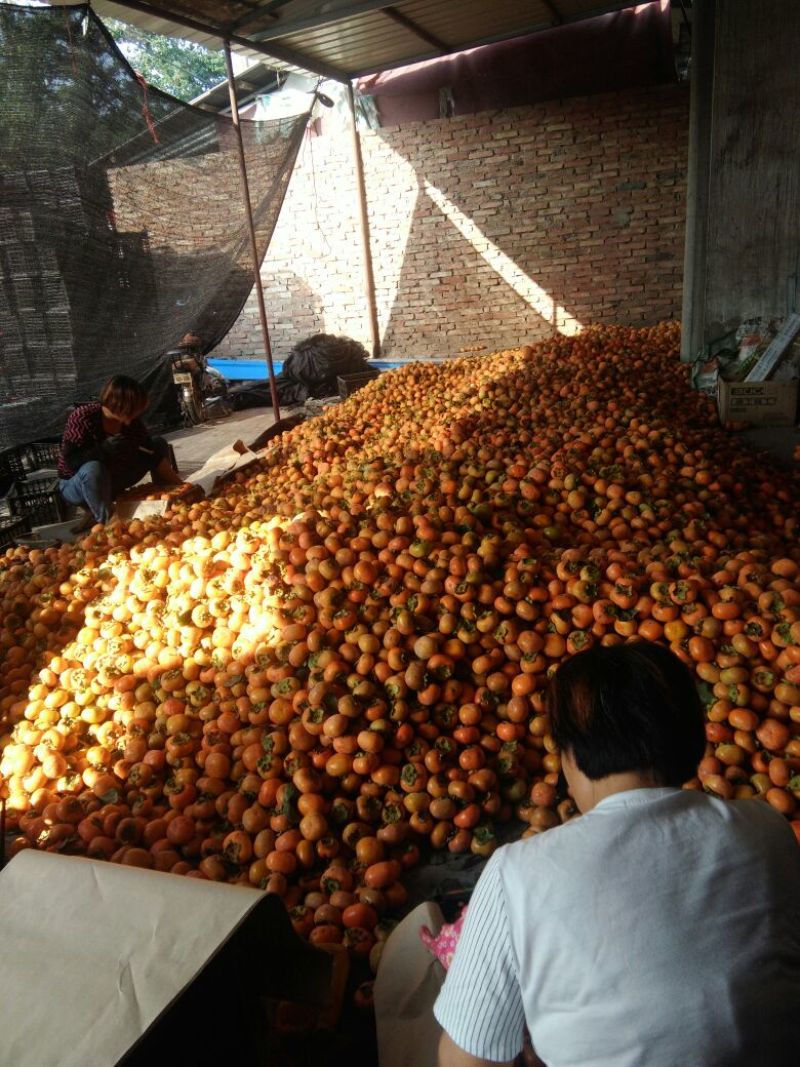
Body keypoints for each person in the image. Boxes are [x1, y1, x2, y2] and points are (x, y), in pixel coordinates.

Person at [434, 641, 800, 1067]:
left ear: (568, 755)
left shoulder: (516, 873)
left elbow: (466, 1062)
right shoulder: (767, 826)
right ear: (692, 737)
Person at [57, 375, 183, 529]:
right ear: (120, 406)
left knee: (158, 443)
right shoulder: (83, 417)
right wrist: (102, 450)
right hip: (77, 484)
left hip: (113, 479)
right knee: (93, 468)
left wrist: (180, 488)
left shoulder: (131, 422)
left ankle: (164, 499)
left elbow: (152, 453)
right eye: (135, 410)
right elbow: (71, 462)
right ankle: (110, 522)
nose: (137, 415)